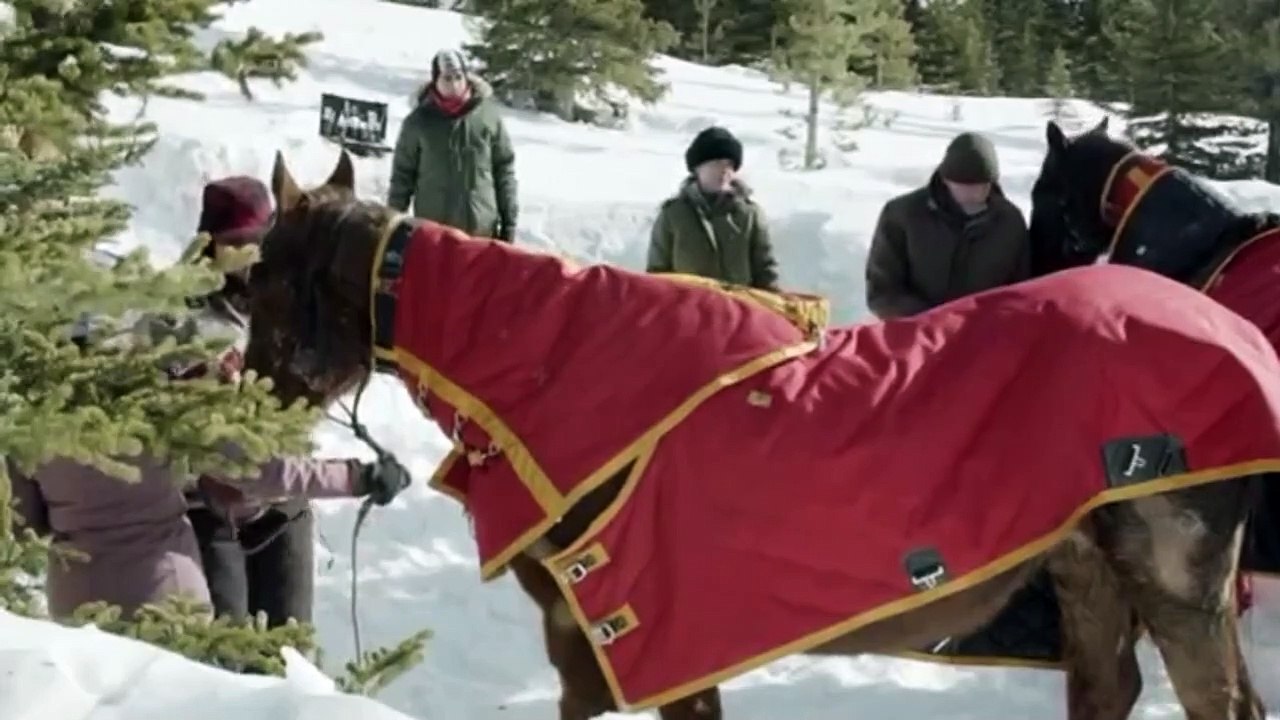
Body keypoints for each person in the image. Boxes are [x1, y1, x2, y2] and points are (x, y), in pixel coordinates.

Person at [6, 176, 413, 621]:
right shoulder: (170, 330)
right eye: (234, 242)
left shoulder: (286, 306)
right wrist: (354, 477)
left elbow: (27, 516)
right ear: (209, 243)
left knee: (285, 647)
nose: (246, 255)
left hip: (278, 506)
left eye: (257, 242)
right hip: (205, 517)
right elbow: (237, 460)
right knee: (231, 656)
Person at [864, 131, 1029, 320]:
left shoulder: (1010, 221)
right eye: (963, 186)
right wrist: (935, 319)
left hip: (983, 335)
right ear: (945, 179)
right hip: (916, 336)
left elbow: (1022, 292)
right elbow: (883, 292)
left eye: (980, 185)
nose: (973, 193)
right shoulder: (902, 215)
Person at [387, 48, 518, 242]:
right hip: (434, 235)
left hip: (479, 233)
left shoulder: (488, 117)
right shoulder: (418, 123)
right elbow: (402, 176)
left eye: (459, 76)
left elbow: (504, 169)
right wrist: (392, 224)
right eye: (447, 78)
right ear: (435, 81)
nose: (454, 84)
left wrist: (509, 222)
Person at [646, 126, 779, 290]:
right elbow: (657, 275)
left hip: (737, 310)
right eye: (717, 163)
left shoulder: (750, 215)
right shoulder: (673, 215)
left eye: (730, 164)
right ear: (697, 168)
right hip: (688, 310)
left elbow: (765, 272)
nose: (724, 171)